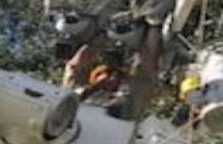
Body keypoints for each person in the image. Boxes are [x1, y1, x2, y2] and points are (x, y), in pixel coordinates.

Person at [45, 0, 176, 119]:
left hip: (77, 108)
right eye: (115, 80)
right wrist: (154, 28)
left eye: (108, 78)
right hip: (122, 117)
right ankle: (155, 21)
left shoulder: (73, 97)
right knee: (145, 74)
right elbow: (146, 70)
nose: (113, 79)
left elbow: (73, 67)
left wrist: (98, 41)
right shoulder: (128, 101)